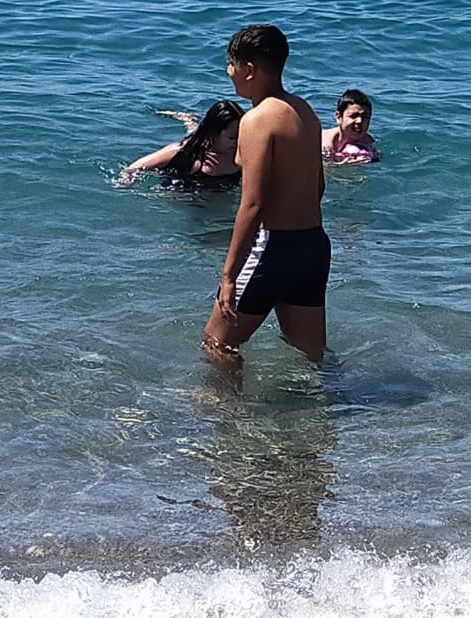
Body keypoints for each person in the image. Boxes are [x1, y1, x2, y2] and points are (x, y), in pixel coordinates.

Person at [202, 25, 330, 364]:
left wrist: (228, 275)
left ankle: (224, 401)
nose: (228, 72)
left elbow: (253, 204)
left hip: (274, 247)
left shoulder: (257, 119)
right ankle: (335, 397)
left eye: (231, 64)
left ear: (249, 69)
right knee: (311, 353)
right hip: (313, 245)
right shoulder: (305, 112)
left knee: (217, 345)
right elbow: (319, 187)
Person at [118, 100, 243, 189]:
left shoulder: (243, 155)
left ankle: (190, 120)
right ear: (213, 134)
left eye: (242, 136)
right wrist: (125, 182)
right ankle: (187, 119)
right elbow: (134, 168)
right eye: (233, 137)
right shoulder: (183, 152)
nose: (239, 141)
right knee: (192, 134)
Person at [322, 90, 380, 164]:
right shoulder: (323, 144)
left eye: (365, 116)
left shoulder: (368, 141)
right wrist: (340, 166)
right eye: (353, 116)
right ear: (339, 117)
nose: (359, 121)